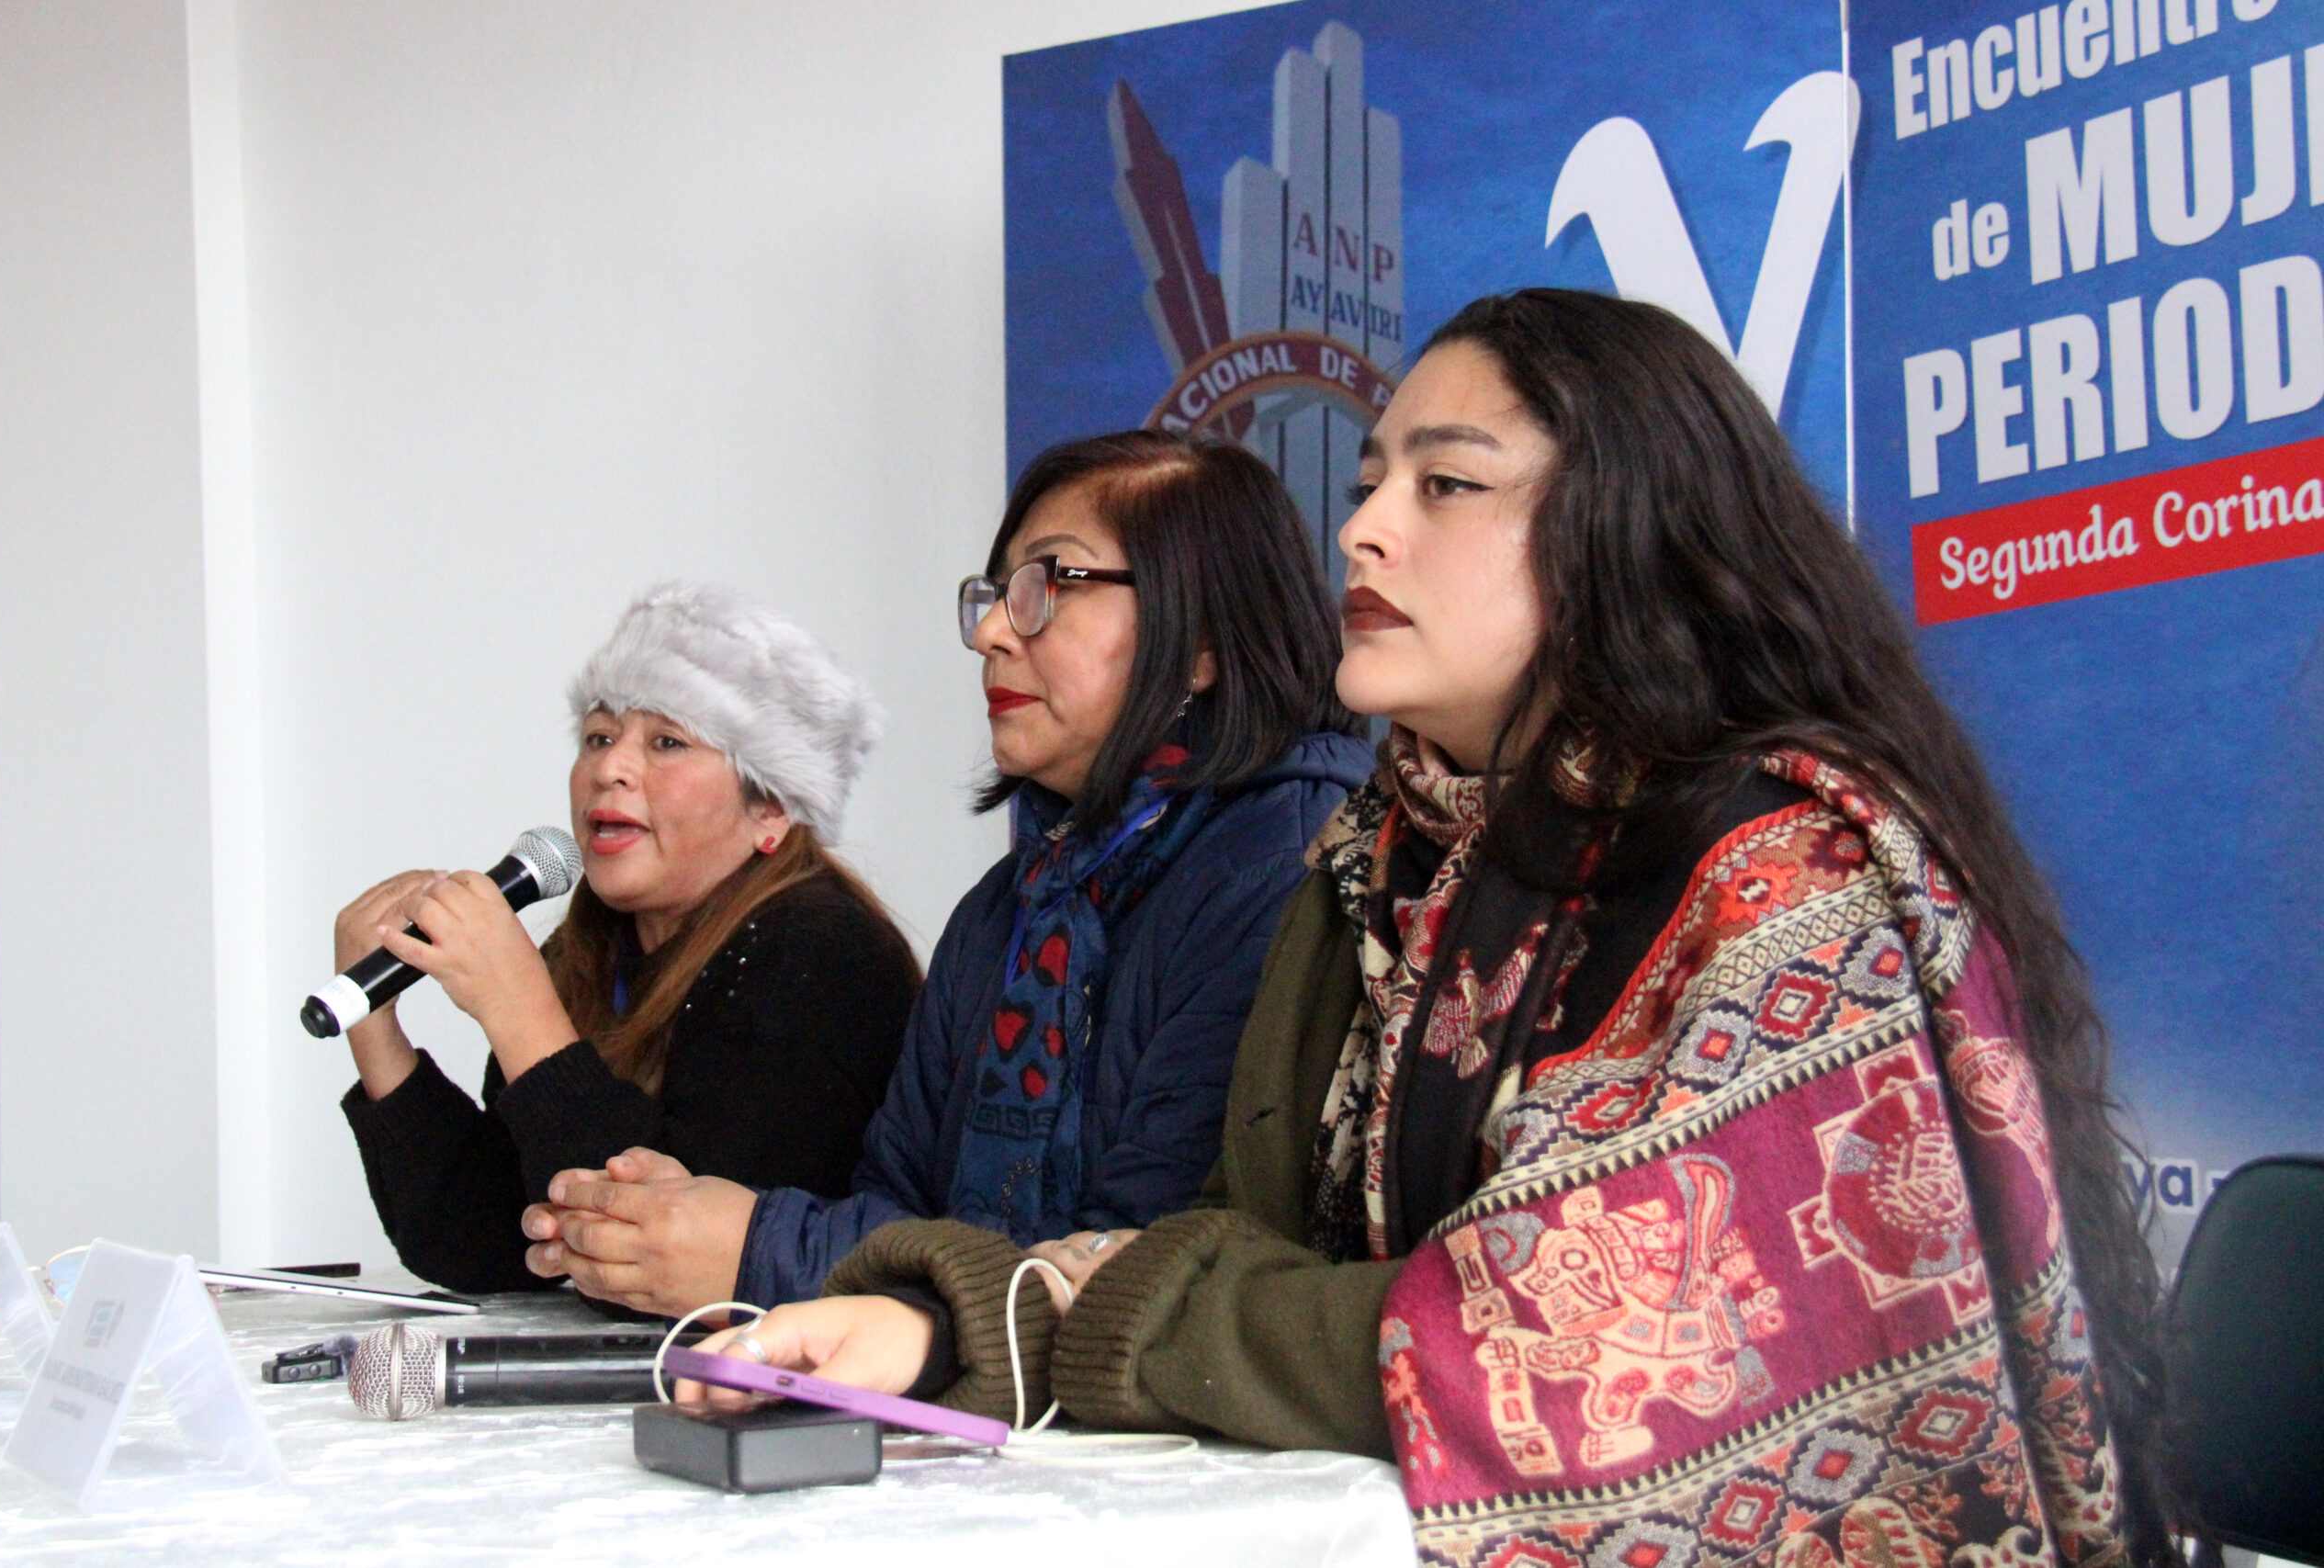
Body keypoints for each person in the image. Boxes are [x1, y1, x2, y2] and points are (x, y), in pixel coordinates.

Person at [678, 292, 2177, 1568]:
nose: (1364, 526)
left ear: (1626, 529)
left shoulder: (1786, 874)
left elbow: (1543, 1350)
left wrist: (1084, 1319)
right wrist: (948, 1324)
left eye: (1445, 483)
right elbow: (1236, 1240)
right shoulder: (1387, 858)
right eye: (1370, 479)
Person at [522, 431, 1372, 1335]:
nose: (992, 633)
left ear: (1199, 639)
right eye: (995, 595)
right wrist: (685, 1227)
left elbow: (1138, 1270)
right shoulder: (1007, 904)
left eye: (1050, 584)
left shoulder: (1285, 872)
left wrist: (755, 1246)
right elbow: (896, 1201)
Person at [339, 583, 919, 1295]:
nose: (609, 768)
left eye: (667, 741)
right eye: (598, 737)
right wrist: (375, 1030)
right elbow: (485, 1247)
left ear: (770, 808)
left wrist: (519, 1012)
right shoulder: (585, 950)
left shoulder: (825, 954)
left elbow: (687, 1267)